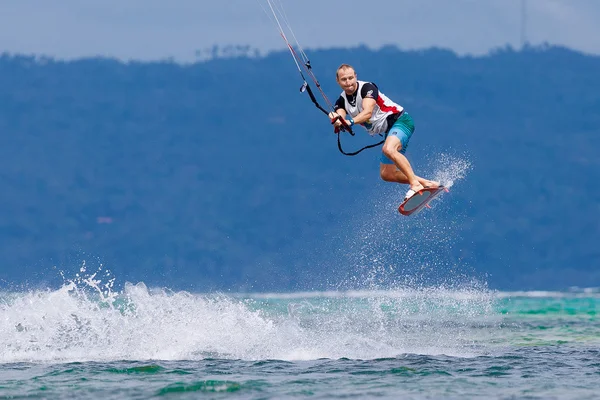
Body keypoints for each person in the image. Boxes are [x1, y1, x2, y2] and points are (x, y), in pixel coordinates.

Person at [328, 64, 438, 200]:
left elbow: (367, 112)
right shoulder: (341, 101)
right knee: (387, 174)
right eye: (344, 79)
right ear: (338, 81)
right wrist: (337, 119)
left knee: (388, 149)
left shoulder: (367, 88)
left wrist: (349, 122)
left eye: (351, 78)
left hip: (401, 121)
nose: (348, 82)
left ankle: (415, 185)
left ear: (356, 76)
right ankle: (427, 183)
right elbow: (340, 115)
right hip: (389, 131)